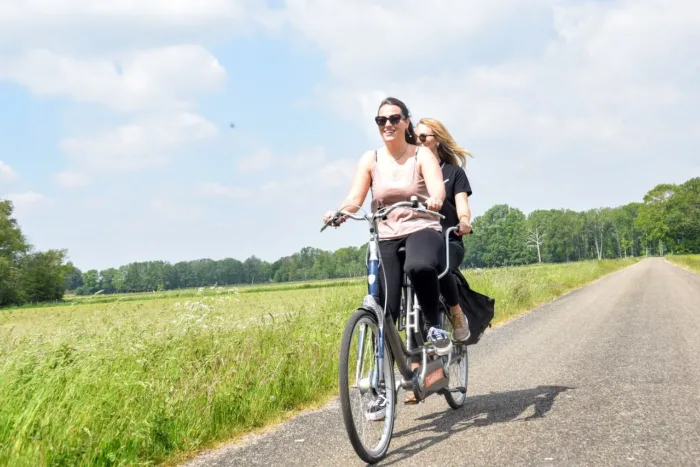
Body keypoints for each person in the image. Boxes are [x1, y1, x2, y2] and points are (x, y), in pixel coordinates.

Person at [322, 97, 470, 417]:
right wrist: (341, 213)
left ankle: (434, 326)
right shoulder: (370, 159)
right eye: (381, 121)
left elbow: (437, 189)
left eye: (394, 118)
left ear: (406, 122)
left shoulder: (421, 155)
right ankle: (380, 386)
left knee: (419, 266)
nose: (387, 124)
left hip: (421, 226)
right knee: (384, 311)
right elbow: (355, 197)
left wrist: (434, 200)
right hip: (385, 234)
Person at [415, 117, 474, 323]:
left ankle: (455, 313)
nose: (418, 141)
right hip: (418, 239)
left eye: (423, 136)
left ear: (437, 140)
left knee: (439, 263)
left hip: (448, 239)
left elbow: (462, 205)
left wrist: (464, 220)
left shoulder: (454, 173)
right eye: (414, 137)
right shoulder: (410, 174)